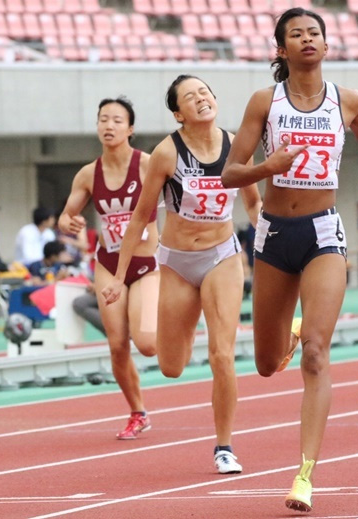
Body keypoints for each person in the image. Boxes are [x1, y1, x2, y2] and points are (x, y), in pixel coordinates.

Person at [220, 8, 358, 511]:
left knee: (318, 353)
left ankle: (304, 475)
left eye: (314, 33)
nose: (306, 40)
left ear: (326, 44)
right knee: (265, 365)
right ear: (281, 49)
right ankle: (291, 334)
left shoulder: (347, 100)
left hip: (323, 233)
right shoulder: (265, 102)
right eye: (295, 34)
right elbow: (230, 173)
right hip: (275, 235)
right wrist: (268, 167)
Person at [100, 79, 262, 473]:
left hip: (222, 257)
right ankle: (186, 328)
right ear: (178, 114)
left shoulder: (238, 145)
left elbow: (255, 205)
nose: (201, 99)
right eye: (191, 98)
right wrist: (119, 278)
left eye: (206, 92)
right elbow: (141, 217)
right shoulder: (166, 153)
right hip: (176, 262)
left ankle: (224, 446)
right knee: (171, 365)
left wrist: (275, 252)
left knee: (222, 355)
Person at [59, 96, 161, 441]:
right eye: (103, 119)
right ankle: (138, 412)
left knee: (147, 344)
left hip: (147, 264)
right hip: (108, 263)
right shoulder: (89, 173)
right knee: (118, 344)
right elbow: (67, 213)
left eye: (117, 120)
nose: (109, 125)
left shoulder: (148, 165)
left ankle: (178, 326)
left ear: (130, 128)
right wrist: (65, 222)